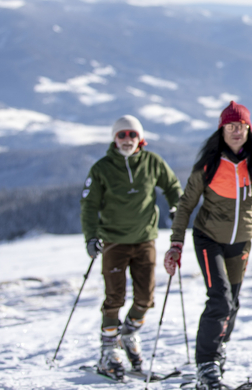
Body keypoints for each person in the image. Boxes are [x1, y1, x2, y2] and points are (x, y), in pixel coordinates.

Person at [165, 101, 252, 390]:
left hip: (241, 241)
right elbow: (186, 205)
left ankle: (218, 350)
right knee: (220, 299)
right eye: (230, 126)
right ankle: (206, 365)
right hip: (208, 239)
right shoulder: (209, 165)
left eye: (241, 126)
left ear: (248, 129)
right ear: (221, 130)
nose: (236, 131)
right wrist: (176, 243)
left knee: (232, 303)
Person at [80, 115, 183, 381]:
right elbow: (89, 206)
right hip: (113, 241)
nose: (127, 139)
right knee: (114, 297)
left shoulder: (152, 162)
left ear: (141, 138)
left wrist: (177, 207)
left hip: (145, 239)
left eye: (132, 134)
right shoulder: (102, 168)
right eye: (122, 135)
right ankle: (108, 349)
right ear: (114, 138)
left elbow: (172, 186)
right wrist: (91, 237)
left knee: (145, 298)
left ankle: (128, 334)